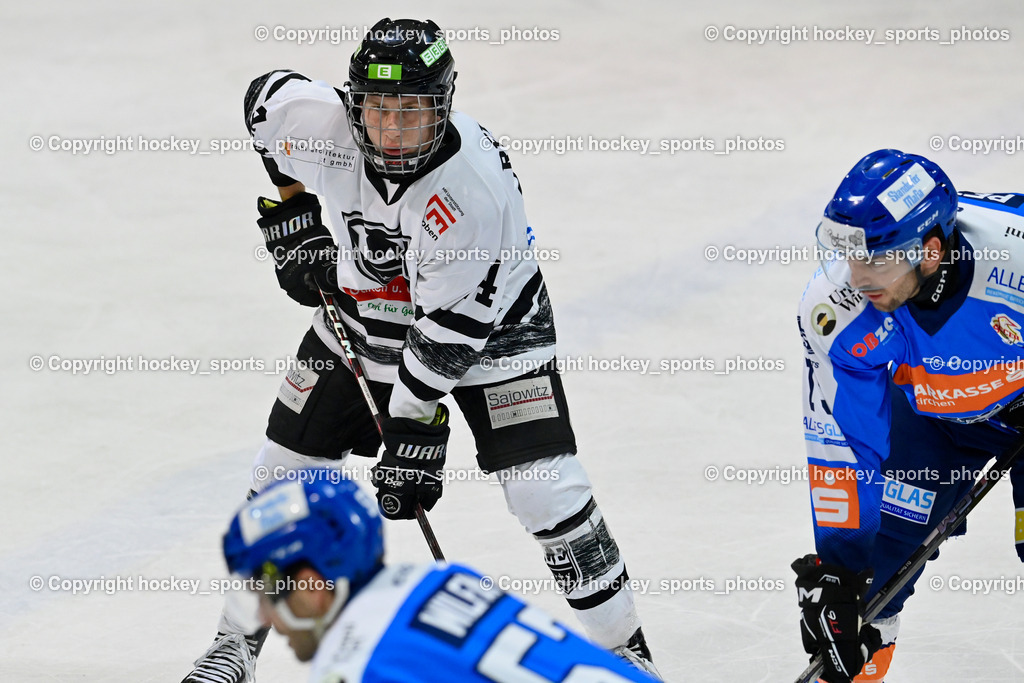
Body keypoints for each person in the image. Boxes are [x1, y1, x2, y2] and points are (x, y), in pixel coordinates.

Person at [182, 18, 655, 683]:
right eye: (378, 109)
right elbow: (262, 105)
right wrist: (292, 216)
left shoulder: (471, 194)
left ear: (444, 105)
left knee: (544, 490)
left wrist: (415, 427)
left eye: (412, 110)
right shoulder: (320, 127)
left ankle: (624, 649)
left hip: (494, 331)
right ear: (353, 105)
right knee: (280, 473)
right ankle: (236, 641)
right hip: (365, 308)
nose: (394, 129)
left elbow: (445, 341)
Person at [794, 148, 1024, 682]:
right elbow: (843, 442)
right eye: (852, 256)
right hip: (928, 415)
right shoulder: (836, 308)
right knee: (865, 590)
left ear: (931, 251)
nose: (858, 276)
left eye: (878, 259)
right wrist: (840, 569)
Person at [219, 474, 658, 683]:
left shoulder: (352, 664)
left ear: (314, 587)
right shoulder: (440, 580)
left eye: (268, 594)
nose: (267, 619)